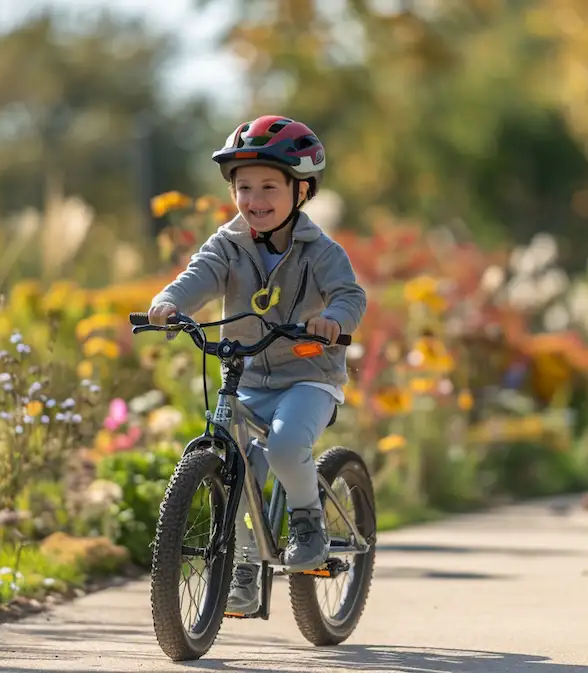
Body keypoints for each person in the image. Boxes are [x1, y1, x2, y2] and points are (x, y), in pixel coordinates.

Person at [147, 116, 366, 614]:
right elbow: (197, 277)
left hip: (309, 376)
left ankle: (308, 521)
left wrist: (333, 319)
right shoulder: (228, 244)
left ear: (301, 190)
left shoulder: (321, 251)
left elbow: (349, 295)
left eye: (269, 186)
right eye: (244, 187)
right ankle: (243, 570)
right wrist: (168, 302)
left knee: (288, 444)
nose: (255, 199)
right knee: (237, 465)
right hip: (246, 374)